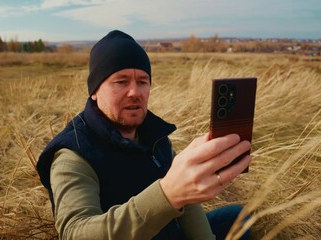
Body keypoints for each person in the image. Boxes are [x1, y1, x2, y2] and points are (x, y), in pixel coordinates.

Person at [37, 30, 252, 240]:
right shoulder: (73, 154)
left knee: (237, 216)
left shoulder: (155, 135)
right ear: (94, 91)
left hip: (168, 231)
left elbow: (187, 198)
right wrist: (168, 194)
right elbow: (75, 232)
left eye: (142, 81)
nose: (135, 92)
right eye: (121, 82)